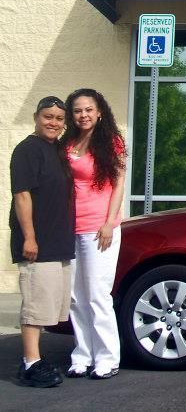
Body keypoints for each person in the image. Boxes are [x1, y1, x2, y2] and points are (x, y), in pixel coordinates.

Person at [10, 95, 74, 388]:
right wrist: (30, 238)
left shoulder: (57, 150)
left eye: (59, 118)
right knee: (35, 305)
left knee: (50, 306)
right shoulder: (27, 150)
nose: (53, 122)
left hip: (58, 242)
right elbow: (22, 195)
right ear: (37, 117)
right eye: (48, 116)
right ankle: (30, 363)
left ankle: (36, 358)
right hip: (39, 243)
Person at [62, 89, 126, 380]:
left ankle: (107, 357)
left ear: (99, 111)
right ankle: (82, 355)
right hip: (69, 228)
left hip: (98, 228)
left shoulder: (111, 142)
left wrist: (109, 223)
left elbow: (119, 184)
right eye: (77, 110)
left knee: (98, 295)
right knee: (76, 297)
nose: (83, 115)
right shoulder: (69, 142)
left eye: (89, 109)